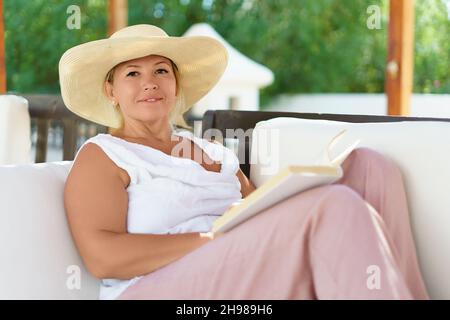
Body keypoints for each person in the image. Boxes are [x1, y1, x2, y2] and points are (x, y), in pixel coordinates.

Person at [60, 24, 429, 300]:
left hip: (234, 262)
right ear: (111, 91)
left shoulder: (215, 153)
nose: (150, 82)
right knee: (336, 206)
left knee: (371, 167)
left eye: (161, 70)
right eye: (132, 73)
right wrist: (210, 240)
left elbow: (255, 214)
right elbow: (102, 258)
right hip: (153, 286)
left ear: (175, 84)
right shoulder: (104, 155)